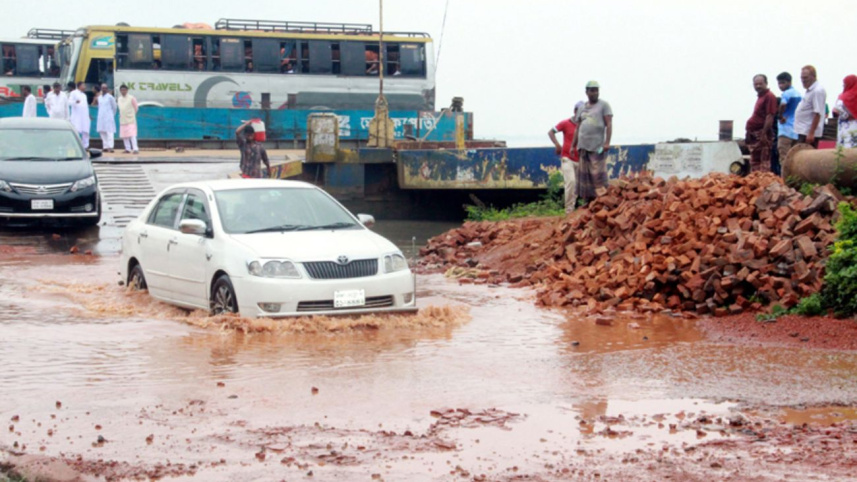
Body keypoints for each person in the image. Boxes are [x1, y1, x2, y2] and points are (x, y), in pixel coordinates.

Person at [572, 81, 613, 204]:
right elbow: (577, 128)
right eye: (592, 90)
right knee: (585, 175)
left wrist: (607, 143)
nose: (595, 93)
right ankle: (588, 201)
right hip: (583, 147)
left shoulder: (604, 105)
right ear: (587, 92)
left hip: (597, 146)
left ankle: (602, 200)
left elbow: (609, 124)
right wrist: (573, 145)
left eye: (596, 90)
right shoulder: (582, 108)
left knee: (597, 174)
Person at [548, 101, 584, 213]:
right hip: (567, 158)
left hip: (581, 159)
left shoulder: (585, 126)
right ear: (575, 111)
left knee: (578, 186)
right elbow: (551, 132)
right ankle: (569, 210)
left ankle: (573, 208)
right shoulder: (565, 123)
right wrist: (557, 144)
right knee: (571, 182)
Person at [744, 74, 778, 173]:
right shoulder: (760, 97)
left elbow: (770, 116)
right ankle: (754, 183)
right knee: (755, 160)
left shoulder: (769, 96)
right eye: (756, 84)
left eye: (760, 84)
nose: (758, 86)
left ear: (766, 83)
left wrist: (764, 134)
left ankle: (763, 183)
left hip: (761, 133)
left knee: (763, 161)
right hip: (754, 133)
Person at [794, 65, 826, 148]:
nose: (803, 80)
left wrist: (811, 133)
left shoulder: (817, 91)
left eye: (805, 78)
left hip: (808, 133)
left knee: (805, 158)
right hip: (803, 131)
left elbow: (817, 113)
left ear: (813, 76)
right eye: (801, 78)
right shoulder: (809, 91)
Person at [776, 72, 801, 166]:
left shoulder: (786, 94)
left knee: (784, 158)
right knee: (794, 158)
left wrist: (780, 116)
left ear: (789, 82)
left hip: (785, 130)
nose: (780, 86)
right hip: (796, 130)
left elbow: (783, 104)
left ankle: (786, 179)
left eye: (783, 83)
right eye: (779, 83)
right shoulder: (798, 94)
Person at [834, 75, 857, 148]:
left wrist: (846, 115)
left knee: (844, 149)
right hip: (855, 126)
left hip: (845, 126)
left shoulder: (843, 97)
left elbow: (836, 110)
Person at [94, 83, 117, 152]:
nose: (104, 89)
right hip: (101, 117)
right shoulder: (99, 98)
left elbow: (114, 107)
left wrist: (111, 115)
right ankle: (105, 146)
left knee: (109, 132)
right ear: (101, 89)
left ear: (107, 89)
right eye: (102, 88)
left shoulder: (110, 97)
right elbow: (99, 107)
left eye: (105, 88)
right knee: (102, 132)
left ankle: (111, 147)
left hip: (109, 117)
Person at [117, 84, 140, 154]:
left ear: (127, 90)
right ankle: (127, 149)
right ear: (120, 91)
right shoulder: (119, 99)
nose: (123, 91)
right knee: (124, 135)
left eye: (124, 90)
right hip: (122, 119)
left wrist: (132, 114)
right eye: (122, 90)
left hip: (130, 119)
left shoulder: (131, 98)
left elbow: (136, 108)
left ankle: (135, 149)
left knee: (132, 135)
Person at [68, 81, 91, 148]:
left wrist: (88, 114)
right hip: (76, 116)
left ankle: (85, 146)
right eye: (83, 85)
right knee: (76, 130)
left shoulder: (84, 95)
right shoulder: (73, 93)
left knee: (86, 131)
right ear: (79, 86)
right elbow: (69, 102)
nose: (85, 87)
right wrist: (75, 102)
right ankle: (76, 145)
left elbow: (85, 106)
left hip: (84, 116)